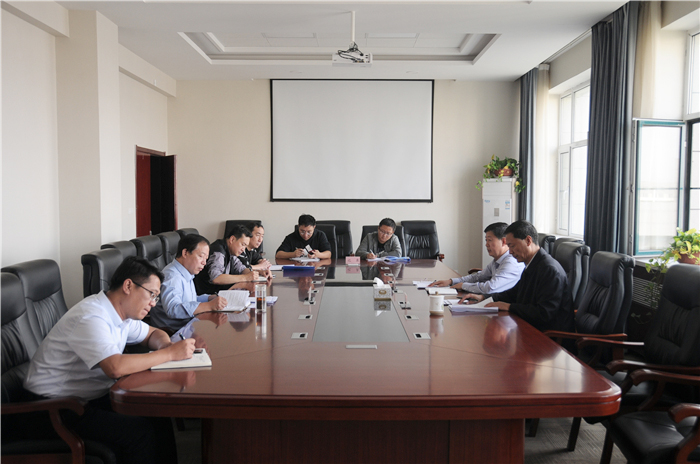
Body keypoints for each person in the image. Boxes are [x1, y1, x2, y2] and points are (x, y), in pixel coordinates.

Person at [23, 256, 196, 464]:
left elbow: (153, 333)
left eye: (156, 297)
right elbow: (115, 367)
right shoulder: (91, 316)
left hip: (84, 399)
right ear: (128, 286)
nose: (153, 303)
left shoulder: (122, 314)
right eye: (151, 294)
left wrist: (166, 346)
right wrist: (169, 355)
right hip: (51, 410)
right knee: (139, 433)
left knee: (157, 414)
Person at [463, 220, 574, 333]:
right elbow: (514, 293)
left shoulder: (549, 269)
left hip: (549, 337)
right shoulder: (533, 263)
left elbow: (544, 313)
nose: (510, 252)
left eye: (512, 246)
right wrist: (484, 297)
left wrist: (509, 307)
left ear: (528, 241)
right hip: (530, 327)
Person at [150, 234, 229, 331]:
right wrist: (208, 306)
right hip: (173, 332)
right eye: (201, 256)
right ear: (185, 253)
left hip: (188, 326)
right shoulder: (172, 277)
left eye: (206, 259)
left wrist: (209, 298)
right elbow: (173, 309)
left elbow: (188, 300)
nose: (204, 263)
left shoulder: (186, 271)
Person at [429, 222, 524, 296]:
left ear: (504, 241)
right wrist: (451, 281)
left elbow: (490, 288)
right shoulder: (497, 260)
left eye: (490, 240)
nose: (486, 244)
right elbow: (478, 277)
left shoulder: (511, 262)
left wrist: (463, 286)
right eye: (486, 240)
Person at [195, 225, 260, 295]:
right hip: (207, 296)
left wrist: (251, 274)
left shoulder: (231, 252)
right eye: (242, 244)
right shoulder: (218, 252)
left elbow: (241, 268)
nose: (243, 249)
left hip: (219, 292)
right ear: (232, 239)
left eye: (245, 246)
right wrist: (245, 277)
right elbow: (216, 278)